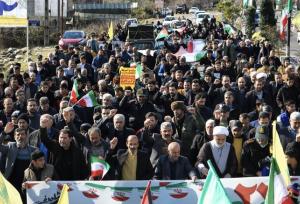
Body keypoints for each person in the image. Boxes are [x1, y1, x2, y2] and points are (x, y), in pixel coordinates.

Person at [0, 126, 36, 193]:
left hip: (27, 182)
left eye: (22, 134)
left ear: (26, 136)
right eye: (18, 134)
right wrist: (4, 133)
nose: (20, 137)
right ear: (14, 137)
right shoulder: (10, 147)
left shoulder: (34, 150)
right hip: (12, 181)